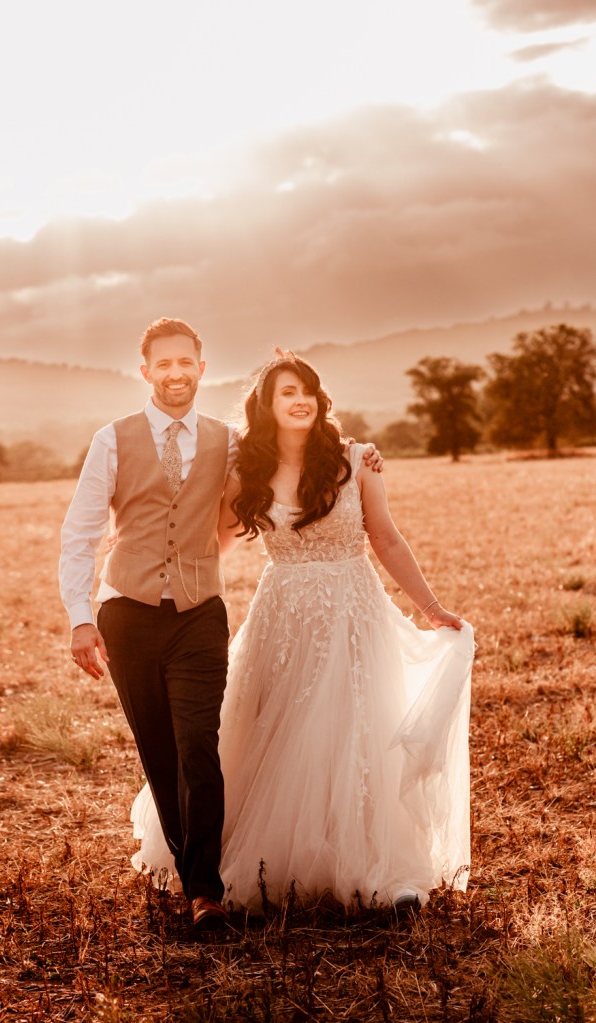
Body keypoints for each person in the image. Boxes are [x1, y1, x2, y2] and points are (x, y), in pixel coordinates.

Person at [59, 323, 383, 931]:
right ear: (146, 371)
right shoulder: (112, 441)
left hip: (200, 615)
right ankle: (189, 870)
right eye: (164, 363)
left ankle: (205, 892)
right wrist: (81, 618)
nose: (176, 372)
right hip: (126, 613)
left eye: (187, 362)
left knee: (197, 745)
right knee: (158, 750)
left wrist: (352, 454)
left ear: (202, 369)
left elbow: (283, 449)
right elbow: (79, 534)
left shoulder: (227, 444)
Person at [131, 349, 474, 914]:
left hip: (354, 609)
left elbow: (385, 539)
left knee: (357, 729)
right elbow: (214, 542)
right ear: (265, 405)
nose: (300, 400)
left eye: (307, 390)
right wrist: (158, 583)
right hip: (283, 613)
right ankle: (261, 861)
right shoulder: (244, 470)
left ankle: (378, 870)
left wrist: (432, 608)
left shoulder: (356, 459)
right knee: (279, 726)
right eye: (286, 392)